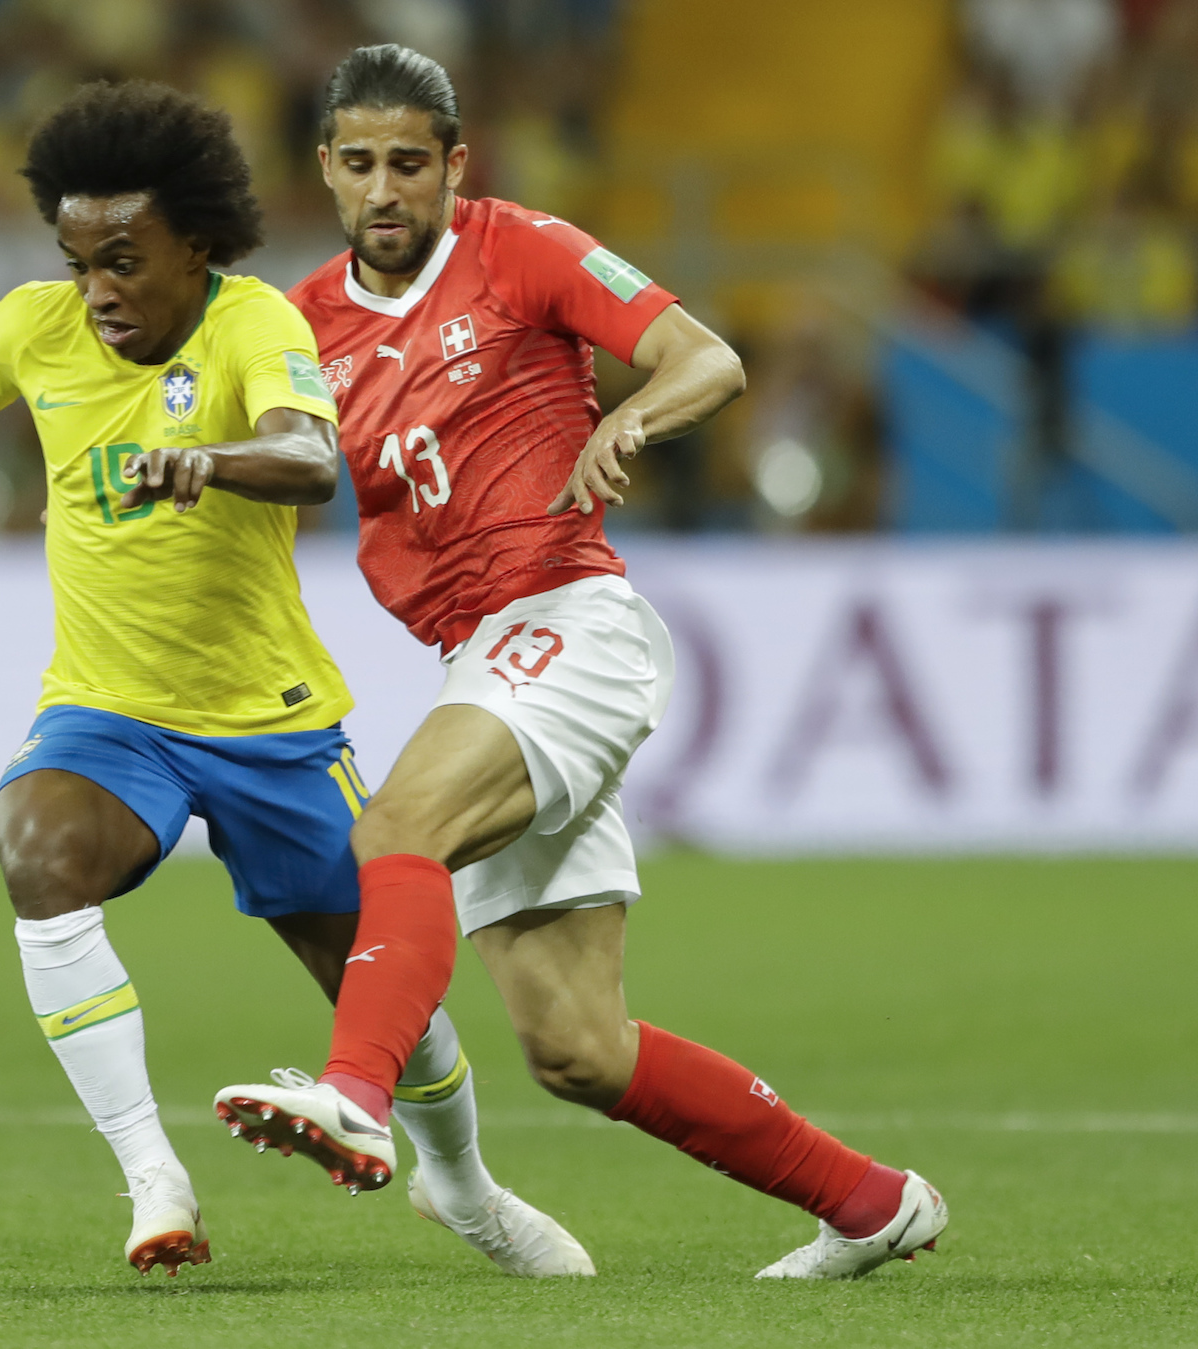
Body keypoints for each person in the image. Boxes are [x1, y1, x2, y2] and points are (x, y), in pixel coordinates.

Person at [215, 45, 950, 1282]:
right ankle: (873, 1201)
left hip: (569, 618)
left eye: (410, 163)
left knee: (398, 825)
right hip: (479, 660)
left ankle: (354, 1088)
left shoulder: (523, 247)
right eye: (359, 164)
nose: (385, 189)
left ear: (455, 166)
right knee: (576, 1047)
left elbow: (708, 357)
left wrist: (631, 412)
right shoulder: (302, 324)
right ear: (325, 170)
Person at [0, 80, 588, 1280]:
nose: (100, 290)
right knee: (35, 847)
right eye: (80, 262)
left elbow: (309, 455)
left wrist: (210, 459)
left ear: (198, 243)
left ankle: (465, 1186)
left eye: (125, 260)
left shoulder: (255, 327)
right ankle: (151, 1175)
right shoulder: (35, 326)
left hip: (271, 725)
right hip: (111, 713)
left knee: (376, 983)